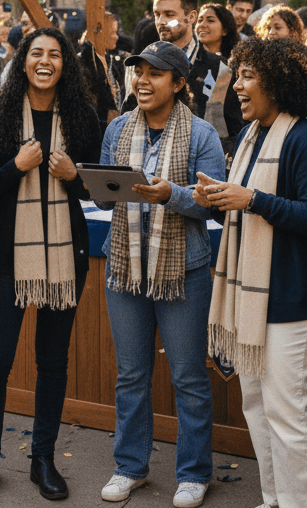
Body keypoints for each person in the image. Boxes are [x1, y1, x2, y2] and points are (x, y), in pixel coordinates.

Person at [198, 37, 307, 508]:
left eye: (248, 76)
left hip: (293, 299)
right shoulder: (250, 137)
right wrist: (217, 202)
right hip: (253, 298)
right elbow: (245, 217)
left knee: (289, 413)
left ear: (278, 83)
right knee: (256, 406)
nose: (237, 85)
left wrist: (251, 200)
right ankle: (275, 498)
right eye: (237, 75)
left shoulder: (306, 140)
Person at [0, 27, 102, 501]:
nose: (45, 61)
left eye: (55, 54)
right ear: (23, 60)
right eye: (36, 53)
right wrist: (17, 166)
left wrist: (74, 175)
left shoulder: (83, 118)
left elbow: (98, 190)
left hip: (66, 258)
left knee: (52, 362)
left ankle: (42, 458)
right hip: (6, 257)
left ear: (66, 65)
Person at [96, 41, 226, 507]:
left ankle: (194, 473)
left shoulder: (202, 135)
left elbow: (211, 204)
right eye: (139, 72)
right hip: (125, 266)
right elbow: (104, 196)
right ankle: (129, 467)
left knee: (188, 377)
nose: (143, 81)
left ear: (178, 83)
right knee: (131, 375)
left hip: (183, 270)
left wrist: (172, 194)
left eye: (155, 74)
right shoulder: (117, 128)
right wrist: (100, 186)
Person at [121, 0, 235, 127]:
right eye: (157, 14)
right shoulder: (140, 64)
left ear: (191, 17)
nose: (161, 21)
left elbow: (230, 129)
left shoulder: (220, 68)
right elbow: (127, 118)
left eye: (169, 15)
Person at [195, 3, 243, 155]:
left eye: (210, 20)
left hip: (224, 145)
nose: (202, 25)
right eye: (200, 20)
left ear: (225, 30)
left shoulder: (235, 66)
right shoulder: (192, 64)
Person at [78, 11, 127, 124]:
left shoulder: (110, 61)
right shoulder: (85, 63)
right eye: (113, 32)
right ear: (100, 34)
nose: (116, 37)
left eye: (116, 32)